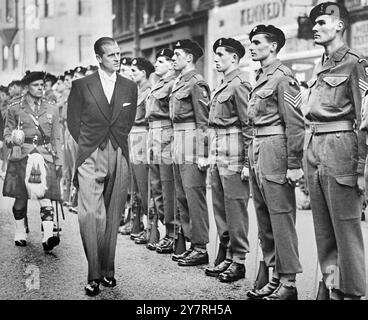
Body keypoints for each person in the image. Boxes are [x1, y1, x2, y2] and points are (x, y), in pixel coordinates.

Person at [305, 2, 367, 300]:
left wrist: (362, 168)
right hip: (315, 147)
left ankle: (352, 292)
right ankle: (331, 287)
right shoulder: (321, 65)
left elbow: (365, 119)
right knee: (323, 229)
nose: (314, 28)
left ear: (339, 25)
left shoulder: (355, 63)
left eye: (320, 22)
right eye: (313, 24)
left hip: (341, 147)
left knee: (346, 228)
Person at [67, 37, 137, 296]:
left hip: (119, 151)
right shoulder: (81, 86)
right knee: (91, 215)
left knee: (113, 213)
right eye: (111, 55)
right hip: (91, 153)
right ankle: (93, 274)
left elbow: (128, 121)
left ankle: (108, 271)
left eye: (119, 54)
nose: (117, 59)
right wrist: (89, 144)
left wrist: (116, 143)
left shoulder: (130, 86)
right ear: (98, 58)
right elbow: (73, 122)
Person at [244, 25, 304, 300]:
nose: (252, 47)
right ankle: (274, 275)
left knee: (281, 218)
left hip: (275, 149)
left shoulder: (283, 77)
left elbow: (294, 123)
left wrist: (294, 163)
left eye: (257, 42)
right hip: (258, 149)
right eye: (251, 42)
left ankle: (289, 283)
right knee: (265, 218)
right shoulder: (260, 76)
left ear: (273, 45)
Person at [205, 38, 252, 282]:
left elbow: (248, 124)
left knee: (235, 207)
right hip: (218, 148)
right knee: (220, 206)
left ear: (234, 58)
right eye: (215, 53)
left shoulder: (240, 84)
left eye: (221, 54)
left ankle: (239, 260)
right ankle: (226, 253)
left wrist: (246, 163)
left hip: (234, 149)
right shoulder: (222, 85)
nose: (216, 58)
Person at [2, 71, 62, 251]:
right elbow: (6, 132)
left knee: (46, 197)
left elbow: (56, 138)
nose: (41, 88)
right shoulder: (14, 108)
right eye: (36, 85)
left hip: (44, 156)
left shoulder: (52, 108)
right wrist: (12, 139)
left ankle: (48, 236)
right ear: (27, 88)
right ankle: (20, 232)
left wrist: (58, 160)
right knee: (21, 197)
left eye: (42, 86)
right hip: (22, 155)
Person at [169, 39, 211, 266]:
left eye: (177, 55)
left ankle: (200, 246)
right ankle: (190, 241)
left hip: (192, 142)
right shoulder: (179, 82)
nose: (173, 59)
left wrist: (204, 153)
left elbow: (204, 122)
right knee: (182, 195)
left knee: (194, 195)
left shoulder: (197, 83)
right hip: (178, 142)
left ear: (189, 58)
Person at [145, 48, 177, 253]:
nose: (156, 64)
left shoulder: (173, 83)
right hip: (154, 134)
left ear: (171, 65)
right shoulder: (158, 83)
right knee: (156, 186)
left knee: (168, 188)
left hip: (166, 134)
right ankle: (164, 228)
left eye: (161, 61)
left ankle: (173, 233)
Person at [129, 57, 155, 244]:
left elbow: (148, 119)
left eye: (134, 71)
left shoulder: (148, 92)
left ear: (144, 73)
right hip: (133, 136)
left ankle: (150, 226)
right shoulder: (136, 92)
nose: (131, 74)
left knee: (145, 185)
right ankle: (137, 223)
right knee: (135, 185)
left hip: (142, 136)